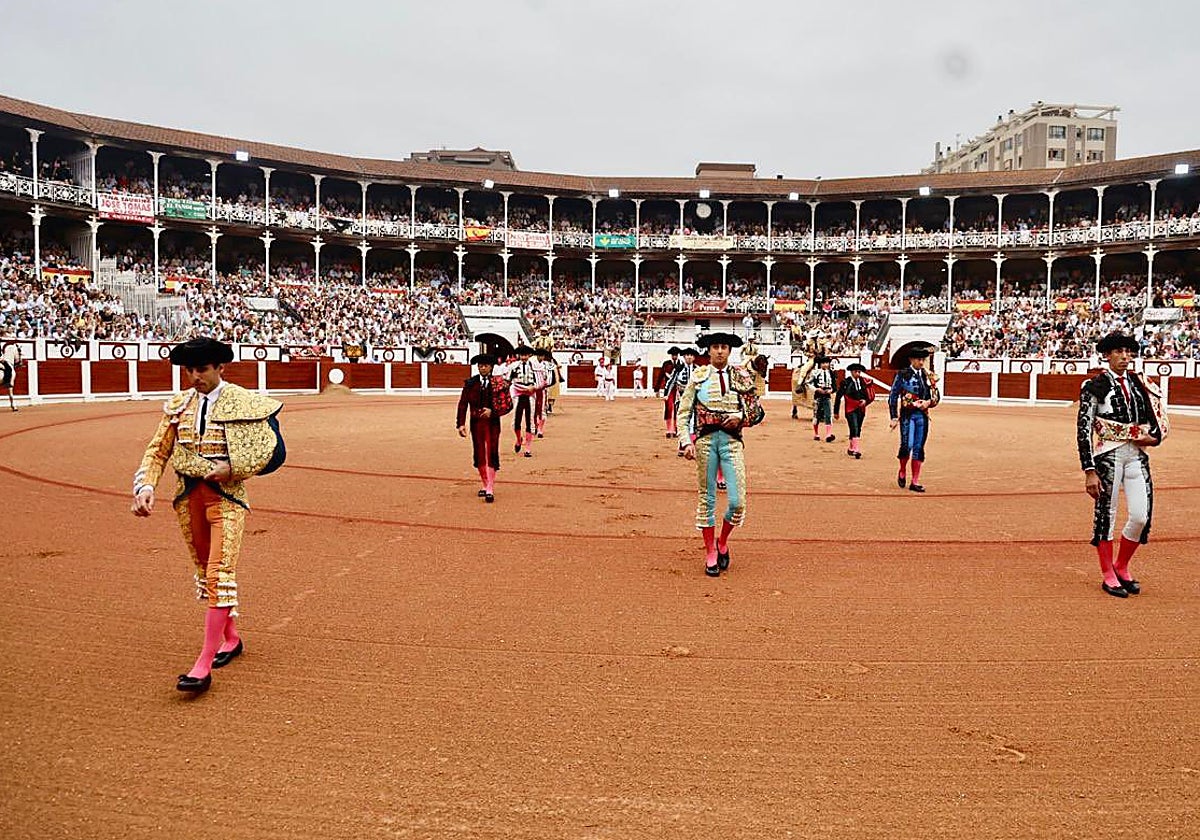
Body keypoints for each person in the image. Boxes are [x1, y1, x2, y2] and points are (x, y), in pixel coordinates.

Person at [131, 337, 285, 694]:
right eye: (189, 370)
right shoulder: (178, 406)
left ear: (220, 368)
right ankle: (231, 639)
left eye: (201, 369)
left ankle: (203, 664)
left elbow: (272, 452)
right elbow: (157, 452)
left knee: (219, 573)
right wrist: (146, 486)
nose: (194, 376)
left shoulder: (244, 402)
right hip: (188, 499)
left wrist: (233, 466)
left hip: (227, 498)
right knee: (204, 570)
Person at [1077, 332, 1167, 598]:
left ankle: (1121, 565)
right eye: (1119, 352)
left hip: (1137, 454)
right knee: (1107, 515)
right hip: (1108, 454)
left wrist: (1155, 438)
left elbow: (1156, 418)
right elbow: (1083, 430)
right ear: (1107, 355)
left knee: (1141, 515)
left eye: (1128, 352)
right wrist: (1089, 470)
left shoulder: (1141, 385)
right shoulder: (1094, 386)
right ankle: (1108, 574)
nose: (1125, 357)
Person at [678, 332, 765, 577]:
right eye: (715, 347)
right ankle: (710, 552)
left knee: (737, 502)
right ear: (708, 350)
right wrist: (686, 441)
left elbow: (756, 412)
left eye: (723, 347)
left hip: (731, 442)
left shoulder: (741, 376)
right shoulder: (699, 376)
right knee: (707, 499)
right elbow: (683, 412)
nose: (719, 351)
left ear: (729, 351)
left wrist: (740, 417)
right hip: (705, 442)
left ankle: (723, 540)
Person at [456, 353, 514, 503]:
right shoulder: (471, 383)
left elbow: (508, 405)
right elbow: (463, 404)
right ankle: (485, 483)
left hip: (492, 423)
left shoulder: (498, 383)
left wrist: (493, 412)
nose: (482, 368)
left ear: (491, 367)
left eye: (485, 365)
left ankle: (490, 488)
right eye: (480, 366)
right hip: (476, 422)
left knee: (491, 452)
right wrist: (460, 424)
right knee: (480, 453)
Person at [887, 345, 940, 492]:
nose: (921, 362)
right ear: (911, 360)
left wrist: (928, 402)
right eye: (918, 359)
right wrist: (893, 416)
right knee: (907, 445)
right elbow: (893, 396)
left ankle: (915, 481)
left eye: (923, 359)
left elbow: (936, 396)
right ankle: (902, 469)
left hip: (922, 416)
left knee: (918, 448)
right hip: (907, 415)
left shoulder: (928, 375)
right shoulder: (902, 374)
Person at [834, 362, 875, 458]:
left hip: (861, 408)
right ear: (851, 372)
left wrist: (865, 400)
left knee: (858, 428)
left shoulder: (863, 381)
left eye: (859, 372)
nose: (858, 374)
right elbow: (838, 396)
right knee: (854, 427)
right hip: (850, 408)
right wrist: (836, 411)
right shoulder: (845, 382)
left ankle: (851, 448)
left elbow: (867, 394)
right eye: (856, 372)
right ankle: (856, 450)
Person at [508, 345, 541, 457]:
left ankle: (528, 447)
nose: (523, 357)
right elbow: (507, 381)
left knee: (530, 420)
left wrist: (534, 387)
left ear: (529, 355)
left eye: (526, 355)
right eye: (522, 355)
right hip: (517, 393)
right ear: (519, 355)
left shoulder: (534, 366)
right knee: (516, 420)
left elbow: (541, 381)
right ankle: (518, 440)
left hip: (530, 393)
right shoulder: (513, 366)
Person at [655, 347, 683, 436]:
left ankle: (675, 428)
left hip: (679, 389)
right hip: (669, 389)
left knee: (677, 408)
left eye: (676, 355)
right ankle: (669, 429)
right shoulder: (666, 364)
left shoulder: (681, 364)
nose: (674, 356)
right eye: (673, 355)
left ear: (678, 355)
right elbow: (660, 376)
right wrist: (657, 389)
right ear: (671, 355)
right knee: (669, 408)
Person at [808, 356, 836, 442]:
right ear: (820, 364)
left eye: (827, 363)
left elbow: (834, 385)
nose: (825, 364)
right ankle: (816, 434)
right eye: (823, 363)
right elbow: (809, 383)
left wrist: (831, 390)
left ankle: (828, 434)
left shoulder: (831, 373)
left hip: (827, 396)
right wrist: (816, 389)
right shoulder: (815, 372)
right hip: (818, 396)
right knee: (816, 415)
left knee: (828, 415)